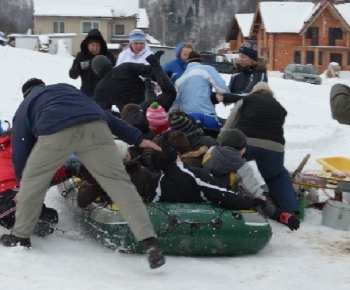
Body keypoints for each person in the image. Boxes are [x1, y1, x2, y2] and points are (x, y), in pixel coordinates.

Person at [0, 79, 165, 270]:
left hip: (55, 131)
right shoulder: (69, 90)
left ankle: (20, 237)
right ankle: (149, 242)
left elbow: (20, 147)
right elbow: (106, 116)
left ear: (27, 94)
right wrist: (137, 138)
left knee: (33, 179)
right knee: (120, 185)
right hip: (96, 127)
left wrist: (23, 185)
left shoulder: (26, 104)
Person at [77, 139, 300, 231]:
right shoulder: (110, 177)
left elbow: (83, 198)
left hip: (170, 181)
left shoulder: (119, 172)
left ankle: (269, 208)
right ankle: (269, 208)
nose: (128, 157)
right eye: (125, 156)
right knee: (222, 193)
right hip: (175, 182)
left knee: (221, 192)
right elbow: (82, 199)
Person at [220, 81, 299, 214]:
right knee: (277, 175)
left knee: (228, 166)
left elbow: (231, 121)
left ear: (254, 91)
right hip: (274, 146)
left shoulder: (246, 99)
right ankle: (290, 210)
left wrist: (221, 142)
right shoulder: (280, 107)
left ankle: (224, 200)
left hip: (246, 141)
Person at [171, 51, 229, 137]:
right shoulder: (207, 69)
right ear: (201, 62)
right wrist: (215, 96)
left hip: (188, 121)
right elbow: (223, 89)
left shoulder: (179, 80)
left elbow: (175, 105)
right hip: (207, 118)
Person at [92, 52, 174, 112]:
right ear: (109, 62)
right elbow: (149, 71)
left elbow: (104, 112)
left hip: (131, 116)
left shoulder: (100, 89)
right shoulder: (124, 67)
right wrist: (165, 76)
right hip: (151, 105)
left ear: (97, 71)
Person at [203, 129, 264, 199]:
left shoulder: (211, 152)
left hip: (207, 193)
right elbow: (252, 190)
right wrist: (264, 203)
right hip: (227, 198)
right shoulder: (241, 166)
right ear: (242, 149)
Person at [215, 40, 268, 104]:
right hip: (240, 108)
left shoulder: (259, 72)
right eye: (239, 56)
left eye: (243, 57)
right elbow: (230, 91)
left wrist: (225, 97)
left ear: (252, 59)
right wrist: (218, 93)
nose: (240, 59)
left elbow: (251, 94)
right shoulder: (237, 71)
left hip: (255, 109)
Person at [69, 29, 116, 97]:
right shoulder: (81, 56)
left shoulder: (107, 55)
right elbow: (72, 75)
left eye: (97, 45)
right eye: (93, 45)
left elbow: (114, 69)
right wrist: (79, 67)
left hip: (104, 95)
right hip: (86, 95)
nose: (95, 48)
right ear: (87, 45)